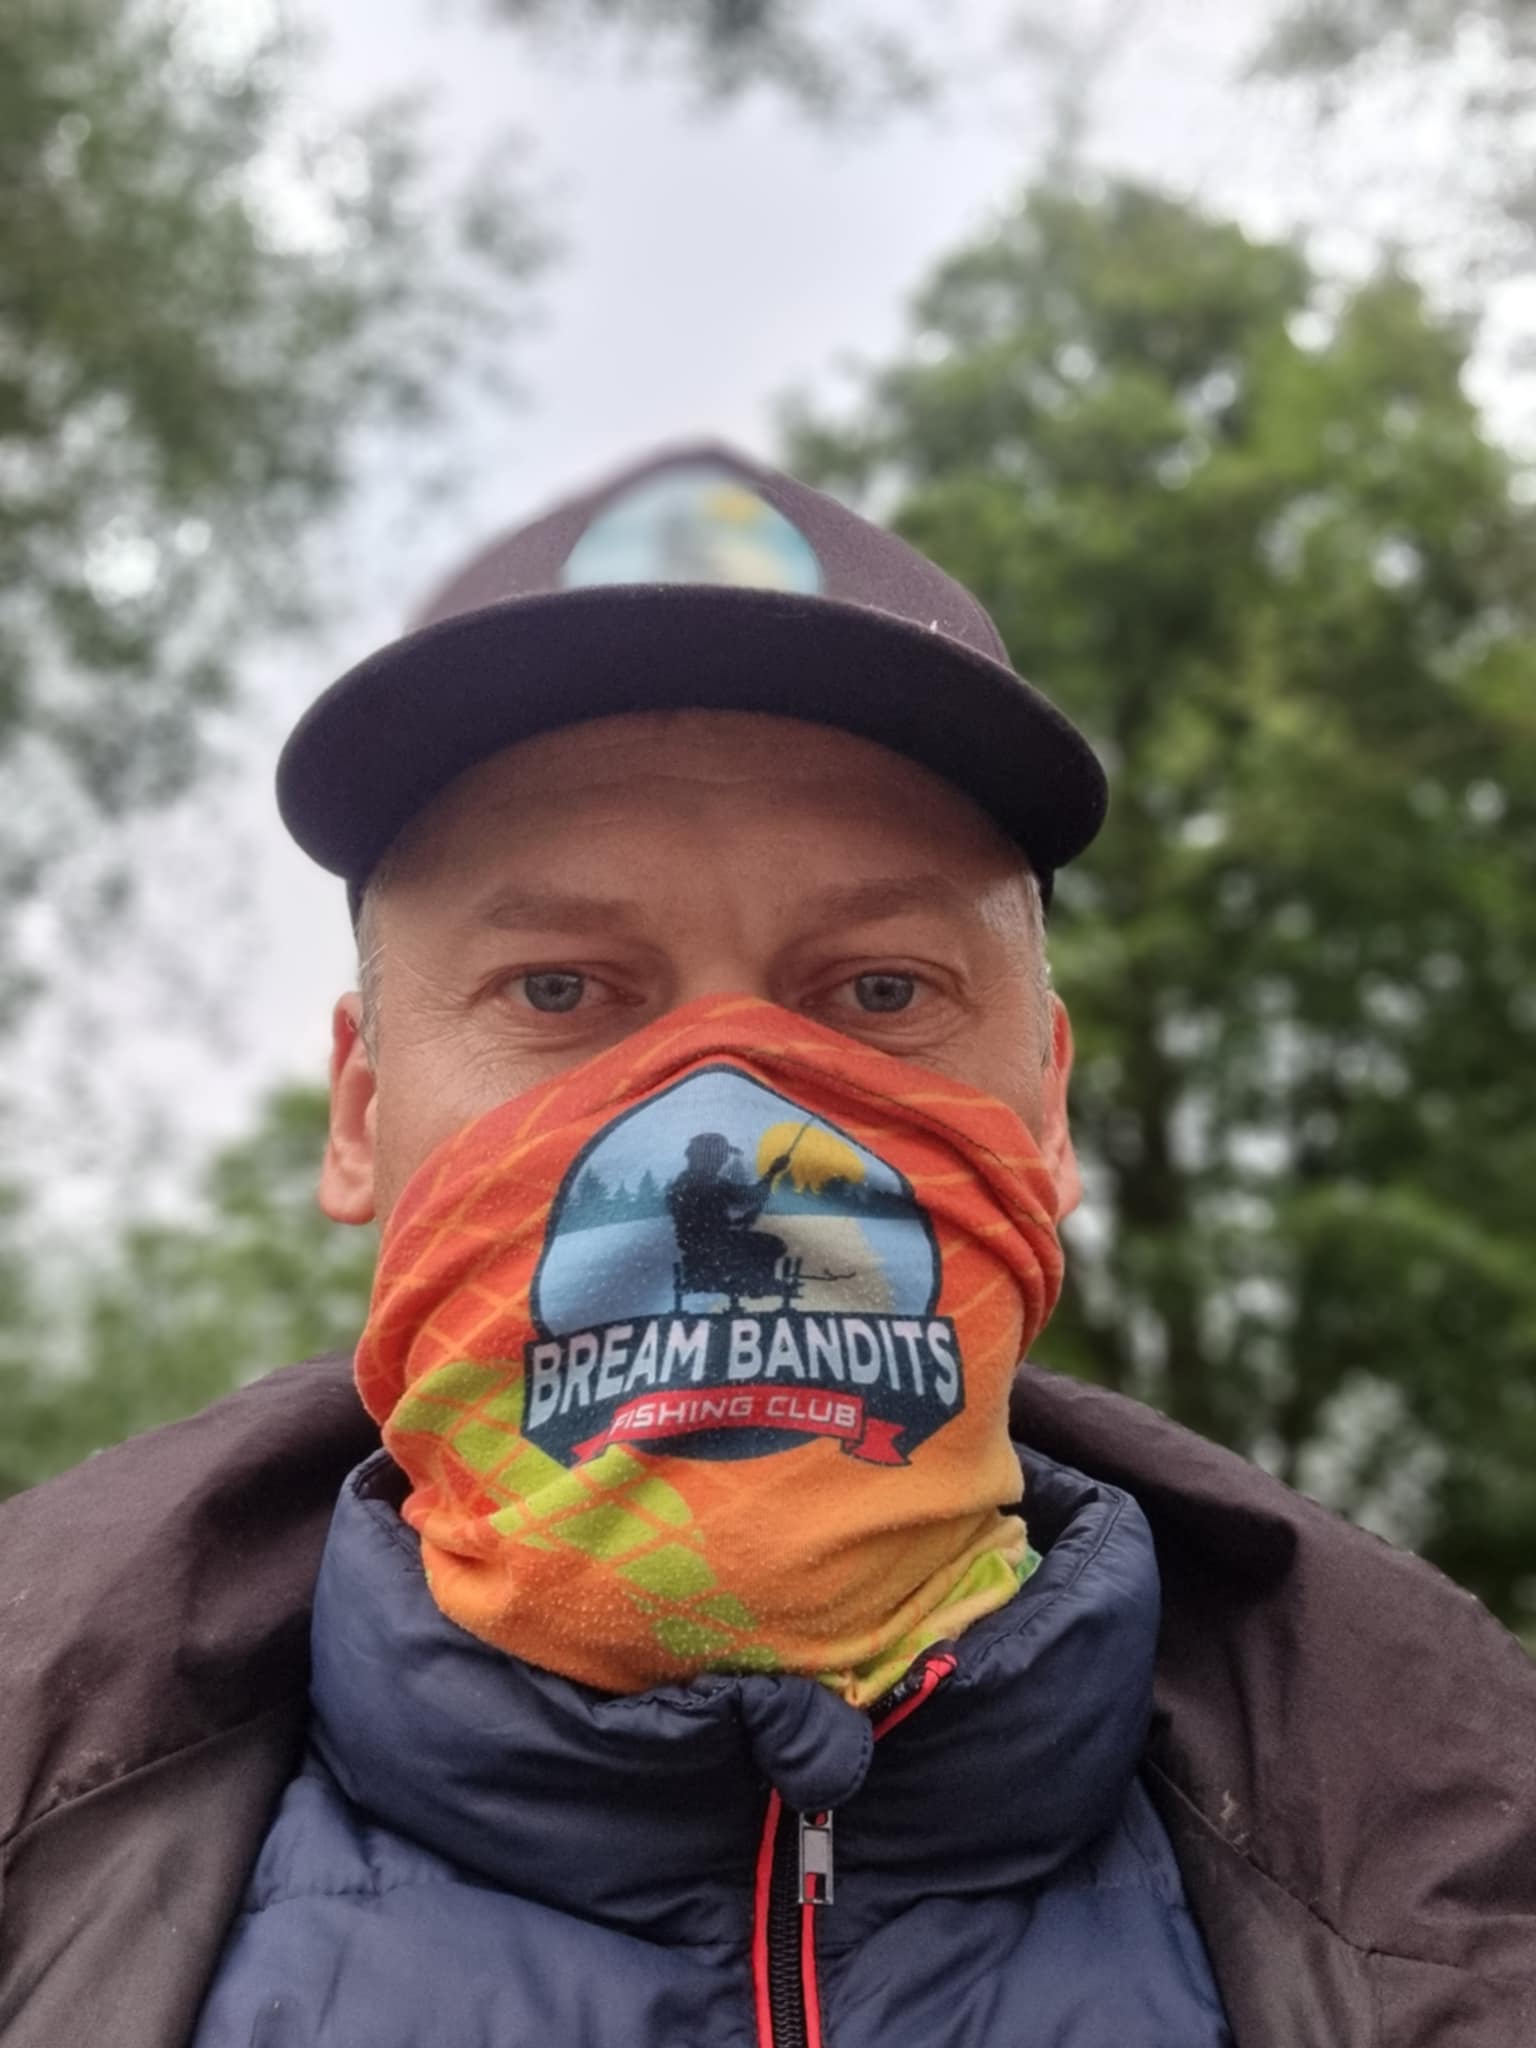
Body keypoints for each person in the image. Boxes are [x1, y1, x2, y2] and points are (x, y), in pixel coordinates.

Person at [1, 444, 1532, 2048]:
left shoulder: (1474, 1905)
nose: (722, 1107)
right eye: (556, 990)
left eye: (880, 990)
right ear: (360, 1112)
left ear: (1048, 1108)